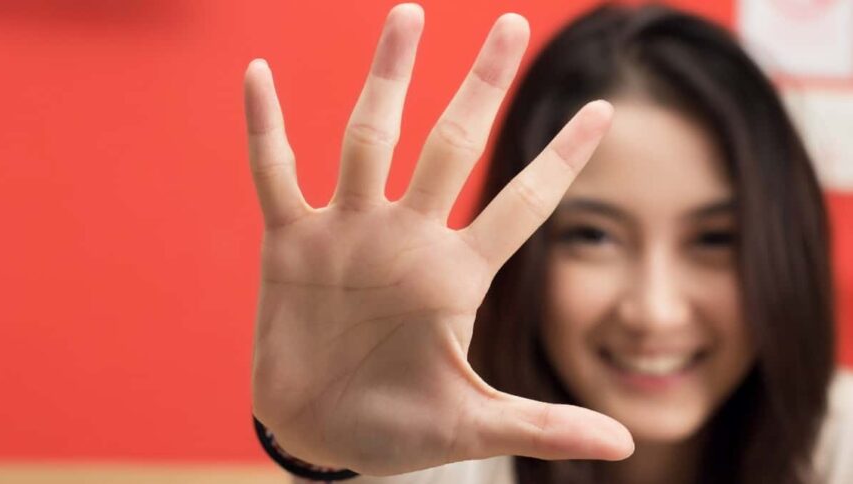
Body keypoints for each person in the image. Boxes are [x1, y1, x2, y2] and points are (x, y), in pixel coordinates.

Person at [244, 3, 853, 484]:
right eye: (593, 236)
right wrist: (327, 462)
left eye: (716, 239)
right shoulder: (436, 461)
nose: (655, 311)